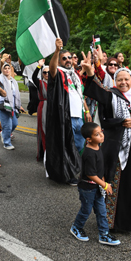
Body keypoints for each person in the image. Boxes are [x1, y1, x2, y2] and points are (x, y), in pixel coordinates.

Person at [80, 52, 131, 232]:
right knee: (114, 185)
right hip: (116, 150)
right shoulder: (111, 95)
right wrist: (91, 73)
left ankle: (129, 219)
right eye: (119, 79)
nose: (123, 83)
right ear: (115, 81)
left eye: (126, 79)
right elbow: (98, 92)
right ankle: (111, 222)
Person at [70, 122, 121, 246]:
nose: (101, 136)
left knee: (102, 211)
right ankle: (76, 227)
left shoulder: (98, 148)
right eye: (97, 134)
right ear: (89, 139)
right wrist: (104, 185)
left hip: (97, 186)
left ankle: (104, 234)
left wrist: (102, 183)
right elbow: (91, 174)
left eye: (101, 132)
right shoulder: (89, 153)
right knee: (86, 210)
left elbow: (99, 170)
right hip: (87, 188)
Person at [44, 39, 84, 185]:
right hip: (65, 117)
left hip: (79, 117)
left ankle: (73, 168)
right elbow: (52, 69)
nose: (67, 60)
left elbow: (80, 94)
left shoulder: (75, 74)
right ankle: (70, 174)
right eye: (64, 58)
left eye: (69, 57)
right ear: (60, 61)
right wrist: (56, 51)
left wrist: (86, 110)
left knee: (79, 145)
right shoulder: (59, 73)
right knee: (68, 146)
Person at [0, 63, 24, 150]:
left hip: (13, 105)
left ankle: (4, 134)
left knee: (14, 124)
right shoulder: (0, 79)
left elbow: (16, 94)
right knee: (7, 125)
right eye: (5, 68)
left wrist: (19, 106)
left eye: (8, 68)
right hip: (4, 104)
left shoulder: (13, 81)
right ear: (2, 69)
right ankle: (7, 143)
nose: (7, 70)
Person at [31, 59, 48, 162]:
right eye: (45, 72)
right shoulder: (40, 83)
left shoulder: (55, 83)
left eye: (49, 72)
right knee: (44, 130)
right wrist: (39, 66)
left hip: (53, 107)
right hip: (44, 106)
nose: (47, 74)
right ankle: (44, 153)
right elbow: (33, 77)